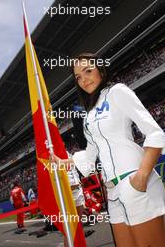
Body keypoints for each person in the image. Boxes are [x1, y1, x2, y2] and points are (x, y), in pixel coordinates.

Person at [51, 53, 165, 247]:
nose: (84, 79)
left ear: (101, 70)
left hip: (135, 184)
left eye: (88, 71)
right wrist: (63, 162)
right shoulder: (88, 115)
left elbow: (154, 132)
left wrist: (141, 177)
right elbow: (90, 155)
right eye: (78, 76)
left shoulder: (117, 92)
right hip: (112, 194)